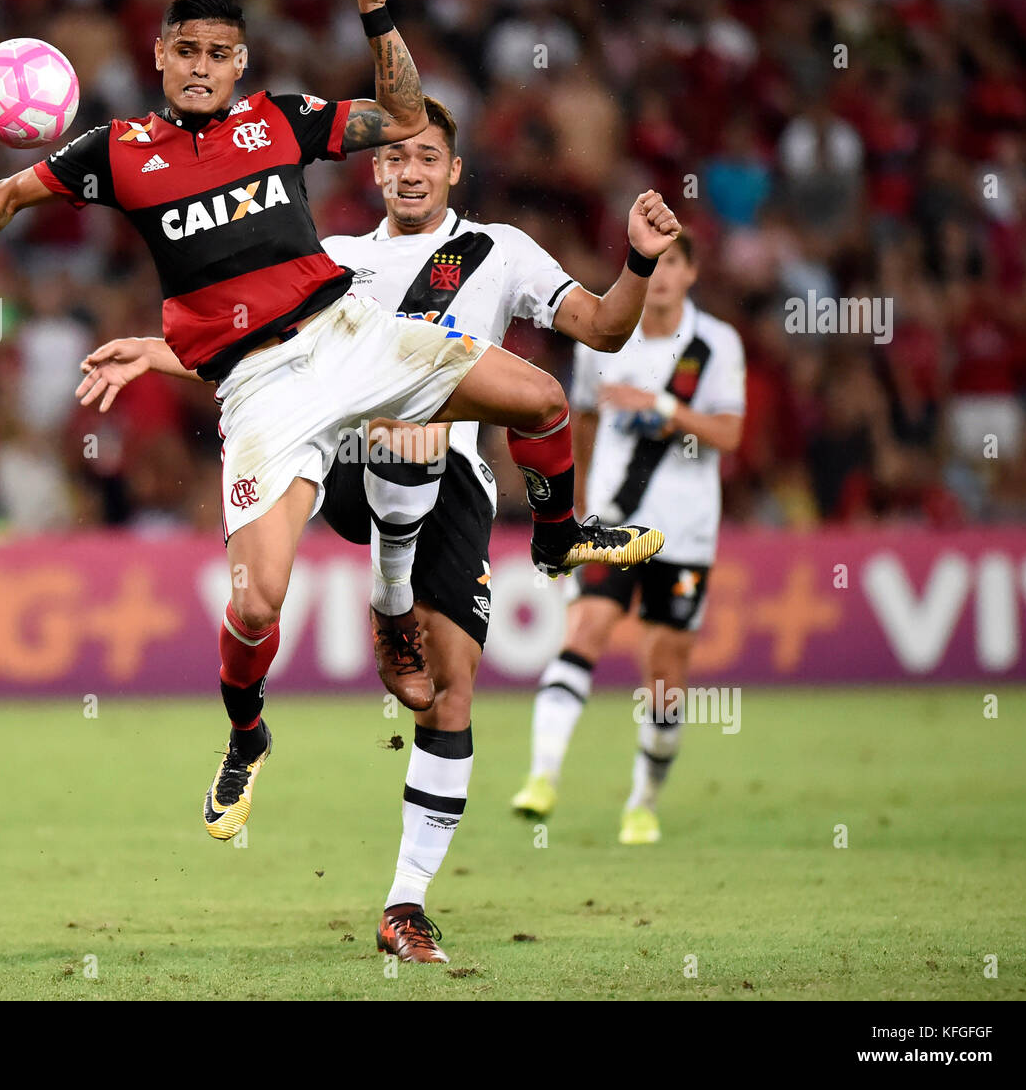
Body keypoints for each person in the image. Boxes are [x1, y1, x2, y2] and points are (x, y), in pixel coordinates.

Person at [0, 0, 656, 853]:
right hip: (260, 391)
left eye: (219, 53)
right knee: (255, 605)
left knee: (542, 397)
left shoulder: (278, 120)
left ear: (240, 63)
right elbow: (6, 196)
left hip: (350, 336)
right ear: (158, 54)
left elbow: (399, 113)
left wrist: (373, 13)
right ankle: (246, 734)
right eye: (186, 50)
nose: (202, 67)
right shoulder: (118, 153)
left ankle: (555, 538)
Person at [80, 99, 683, 962]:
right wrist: (153, 345)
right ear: (373, 169)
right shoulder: (332, 257)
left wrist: (636, 261)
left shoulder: (498, 250)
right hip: (351, 461)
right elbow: (253, 344)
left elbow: (602, 329)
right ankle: (388, 596)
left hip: (460, 483)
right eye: (395, 156)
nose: (408, 170)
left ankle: (405, 905)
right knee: (389, 454)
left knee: (448, 693)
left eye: (427, 157)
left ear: (453, 171)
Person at [511, 234, 745, 847]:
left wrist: (663, 405)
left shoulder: (716, 344)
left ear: (692, 273)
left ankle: (642, 802)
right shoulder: (606, 336)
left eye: (674, 263)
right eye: (654, 262)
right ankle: (541, 778)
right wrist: (580, 503)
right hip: (615, 525)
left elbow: (728, 434)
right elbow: (581, 420)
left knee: (664, 671)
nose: (661, 275)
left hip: (686, 532)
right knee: (585, 629)